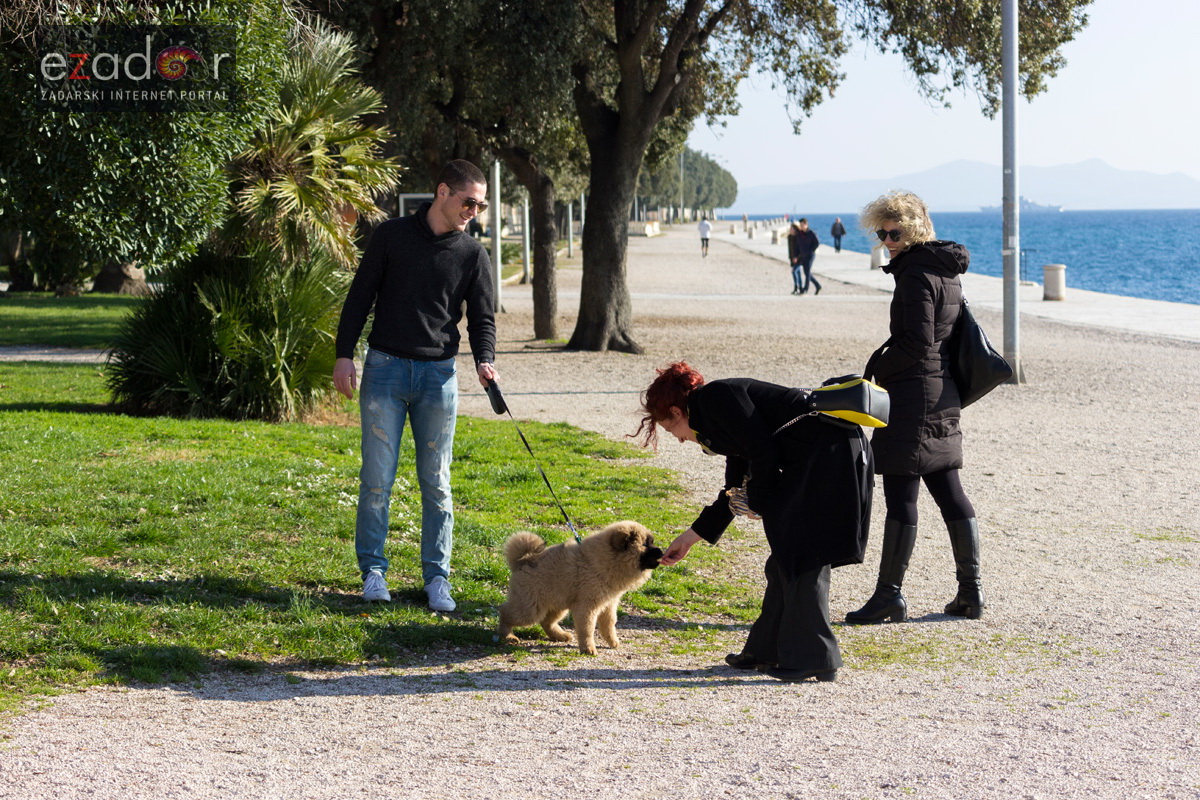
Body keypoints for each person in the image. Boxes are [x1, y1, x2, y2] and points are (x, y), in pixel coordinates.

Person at [635, 362, 874, 683]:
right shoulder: (715, 418)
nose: (678, 439)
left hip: (830, 457)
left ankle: (817, 657)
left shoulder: (715, 398)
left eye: (669, 429)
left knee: (803, 556)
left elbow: (763, 453)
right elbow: (736, 485)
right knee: (783, 561)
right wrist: (691, 537)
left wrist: (759, 503)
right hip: (821, 457)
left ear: (676, 412)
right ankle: (766, 650)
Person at [333, 159, 498, 611]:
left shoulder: (472, 254)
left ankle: (437, 578)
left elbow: (483, 317)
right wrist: (344, 354)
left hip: (438, 376)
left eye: (481, 205)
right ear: (443, 191)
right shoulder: (390, 236)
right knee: (376, 479)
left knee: (437, 482)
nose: (474, 211)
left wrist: (486, 360)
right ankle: (373, 572)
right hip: (384, 369)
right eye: (469, 201)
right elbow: (360, 296)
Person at [846, 190, 983, 625]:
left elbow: (918, 341)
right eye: (882, 232)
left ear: (915, 227)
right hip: (942, 392)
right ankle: (971, 592)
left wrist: (877, 372)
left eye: (894, 231)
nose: (887, 239)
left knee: (902, 494)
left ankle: (889, 595)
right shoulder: (945, 270)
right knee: (949, 490)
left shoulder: (915, 275)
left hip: (912, 397)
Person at [786, 218, 821, 295]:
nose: (801, 227)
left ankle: (805, 289)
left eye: (802, 225)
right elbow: (797, 247)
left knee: (807, 272)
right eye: (800, 225)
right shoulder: (799, 235)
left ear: (806, 225)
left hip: (810, 255)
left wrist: (811, 250)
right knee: (807, 273)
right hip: (803, 255)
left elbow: (817, 243)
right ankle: (817, 285)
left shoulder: (811, 233)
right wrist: (795, 256)